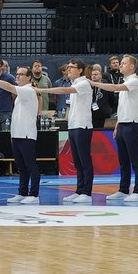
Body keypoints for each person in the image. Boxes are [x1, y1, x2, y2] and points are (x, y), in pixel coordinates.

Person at [39, 60, 94, 203]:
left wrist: (42, 90)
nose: (68, 69)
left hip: (83, 126)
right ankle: (79, 190)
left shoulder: (83, 83)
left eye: (71, 67)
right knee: (77, 161)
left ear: (80, 70)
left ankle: (87, 193)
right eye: (68, 67)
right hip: (73, 125)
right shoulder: (74, 83)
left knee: (84, 160)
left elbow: (63, 91)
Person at [92, 54, 138, 203]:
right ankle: (123, 189)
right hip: (122, 124)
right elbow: (122, 108)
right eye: (120, 63)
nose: (120, 65)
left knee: (135, 159)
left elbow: (114, 87)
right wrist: (117, 125)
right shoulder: (126, 81)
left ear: (132, 66)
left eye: (123, 63)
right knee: (123, 161)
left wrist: (96, 83)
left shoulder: (134, 81)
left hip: (132, 125)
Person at [0, 65, 42, 203]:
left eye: (21, 74)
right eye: (16, 74)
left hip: (26, 134)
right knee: (21, 166)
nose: (17, 76)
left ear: (29, 77)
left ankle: (34, 194)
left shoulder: (28, 90)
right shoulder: (21, 94)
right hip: (16, 133)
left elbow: (9, 87)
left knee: (31, 165)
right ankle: (22, 192)